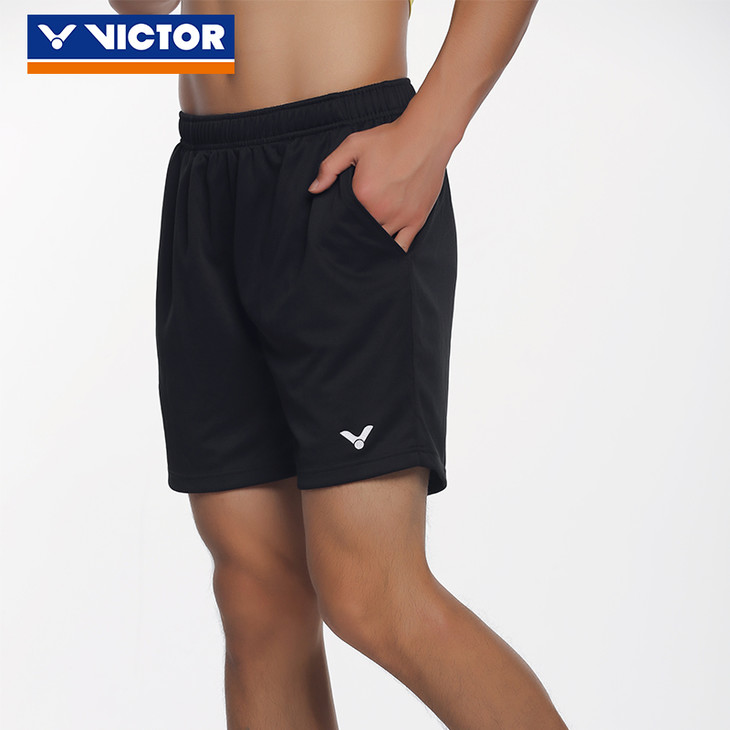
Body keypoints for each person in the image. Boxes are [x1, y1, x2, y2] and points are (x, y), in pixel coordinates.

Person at [109, 1, 568, 728]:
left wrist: (430, 133)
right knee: (258, 599)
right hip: (207, 176)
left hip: (343, 162)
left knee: (372, 593)